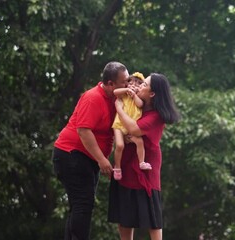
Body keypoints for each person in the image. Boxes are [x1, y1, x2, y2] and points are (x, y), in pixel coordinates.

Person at [52, 61, 129, 240]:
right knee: (83, 204)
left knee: (79, 205)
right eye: (124, 81)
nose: (128, 84)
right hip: (72, 154)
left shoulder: (115, 101)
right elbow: (83, 130)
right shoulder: (93, 97)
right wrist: (102, 159)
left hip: (88, 158)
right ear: (110, 84)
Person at [108, 73, 181, 240]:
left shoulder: (156, 116)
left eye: (144, 85)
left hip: (146, 165)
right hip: (126, 160)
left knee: (152, 215)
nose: (139, 86)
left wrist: (119, 108)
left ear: (152, 94)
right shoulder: (136, 105)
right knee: (124, 215)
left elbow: (134, 129)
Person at [112, 72, 152, 181]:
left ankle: (141, 162)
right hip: (119, 125)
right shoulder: (124, 94)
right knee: (119, 145)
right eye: (132, 82)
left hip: (130, 128)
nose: (134, 85)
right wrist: (126, 90)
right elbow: (115, 92)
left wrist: (134, 95)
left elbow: (139, 105)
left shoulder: (138, 98)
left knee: (139, 142)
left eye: (139, 83)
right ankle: (117, 167)